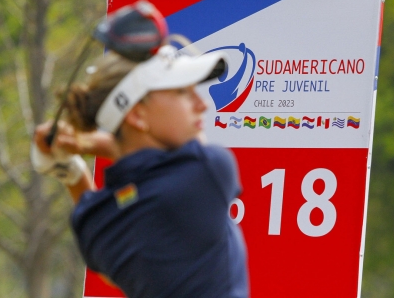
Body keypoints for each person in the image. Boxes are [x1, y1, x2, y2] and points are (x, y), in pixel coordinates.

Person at [31, 32, 249, 297]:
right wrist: (85, 144)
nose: (201, 104)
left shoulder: (91, 223)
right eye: (182, 92)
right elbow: (162, 157)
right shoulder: (207, 170)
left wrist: (72, 169)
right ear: (136, 114)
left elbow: (130, 166)